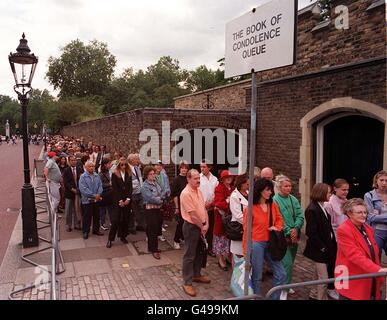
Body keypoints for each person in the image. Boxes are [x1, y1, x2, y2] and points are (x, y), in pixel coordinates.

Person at [335, 198, 387, 300]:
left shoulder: (367, 228)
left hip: (369, 276)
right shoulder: (344, 230)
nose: (363, 215)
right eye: (359, 212)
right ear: (349, 214)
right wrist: (378, 269)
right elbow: (355, 255)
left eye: (365, 212)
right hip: (352, 277)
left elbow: (374, 253)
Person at [243, 178, 286, 300]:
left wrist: (276, 227)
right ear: (260, 191)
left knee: (281, 274)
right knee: (257, 276)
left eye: (271, 190)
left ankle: (274, 298)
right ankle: (255, 297)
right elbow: (246, 231)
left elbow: (279, 219)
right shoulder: (250, 209)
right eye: (267, 190)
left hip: (272, 242)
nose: (270, 192)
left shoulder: (273, 205)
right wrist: (245, 251)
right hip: (256, 244)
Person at [303, 183, 338, 300]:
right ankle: (321, 298)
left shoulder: (322, 206)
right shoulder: (312, 209)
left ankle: (313, 295)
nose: (331, 194)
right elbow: (311, 232)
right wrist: (322, 247)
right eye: (329, 192)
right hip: (319, 250)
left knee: (317, 275)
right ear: (321, 193)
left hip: (326, 247)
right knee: (324, 279)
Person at [273, 174, 304, 300]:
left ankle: (288, 283)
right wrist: (288, 230)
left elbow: (300, 215)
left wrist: (296, 228)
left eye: (290, 186)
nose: (289, 188)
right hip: (282, 236)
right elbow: (277, 218)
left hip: (294, 235)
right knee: (287, 263)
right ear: (279, 187)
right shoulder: (275, 200)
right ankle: (283, 289)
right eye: (286, 186)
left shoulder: (293, 199)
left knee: (291, 260)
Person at [180, 169, 210, 297]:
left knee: (199, 252)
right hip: (192, 227)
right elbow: (192, 215)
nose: (198, 180)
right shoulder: (185, 193)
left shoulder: (199, 191)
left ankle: (196, 275)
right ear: (188, 179)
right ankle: (187, 282)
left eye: (199, 178)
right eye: (195, 178)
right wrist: (202, 226)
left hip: (201, 226)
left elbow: (203, 209)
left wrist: (206, 223)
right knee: (189, 254)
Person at [107, 158, 132, 248]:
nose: (123, 166)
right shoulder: (114, 175)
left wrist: (128, 199)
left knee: (126, 219)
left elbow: (130, 188)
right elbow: (115, 189)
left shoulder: (129, 174)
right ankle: (110, 239)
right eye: (121, 165)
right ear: (118, 165)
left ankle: (123, 236)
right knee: (115, 220)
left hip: (127, 201)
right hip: (118, 200)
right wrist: (120, 200)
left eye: (125, 165)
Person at [141, 165, 164, 259]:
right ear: (146, 175)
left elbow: (161, 192)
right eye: (151, 174)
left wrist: (160, 198)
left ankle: (152, 247)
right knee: (152, 229)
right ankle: (154, 249)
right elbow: (150, 198)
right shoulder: (144, 186)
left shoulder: (156, 183)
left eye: (153, 174)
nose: (153, 176)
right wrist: (160, 199)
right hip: (150, 209)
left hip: (157, 208)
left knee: (158, 226)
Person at [213, 170, 234, 271]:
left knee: (229, 239)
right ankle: (221, 259)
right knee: (221, 239)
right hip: (222, 219)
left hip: (231, 219)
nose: (229, 179)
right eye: (226, 177)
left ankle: (228, 257)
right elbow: (218, 203)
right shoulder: (219, 188)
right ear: (222, 179)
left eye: (230, 177)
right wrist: (230, 202)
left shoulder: (233, 188)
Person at [364, 170, 387, 258]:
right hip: (376, 232)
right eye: (381, 180)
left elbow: (375, 217)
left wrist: (379, 217)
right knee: (375, 257)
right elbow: (370, 217)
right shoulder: (369, 195)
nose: (384, 183)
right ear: (376, 181)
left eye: (386, 180)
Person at [78, 161, 103, 239]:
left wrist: (99, 194)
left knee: (97, 215)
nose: (92, 168)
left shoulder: (97, 175)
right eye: (90, 166)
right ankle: (85, 231)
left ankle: (96, 230)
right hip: (87, 200)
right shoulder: (83, 177)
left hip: (96, 200)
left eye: (93, 166)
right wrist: (94, 195)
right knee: (87, 217)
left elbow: (100, 186)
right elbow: (83, 189)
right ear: (85, 167)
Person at [199, 159, 218, 257]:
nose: (202, 168)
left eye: (204, 167)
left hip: (211, 207)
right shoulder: (198, 178)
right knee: (201, 228)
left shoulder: (215, 179)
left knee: (210, 229)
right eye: (201, 166)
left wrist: (211, 203)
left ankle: (209, 248)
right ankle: (200, 248)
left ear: (209, 167)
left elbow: (216, 193)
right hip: (201, 207)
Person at [229, 174, 249, 258]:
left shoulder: (248, 193)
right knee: (238, 254)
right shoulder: (234, 196)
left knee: (246, 253)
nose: (249, 186)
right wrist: (249, 223)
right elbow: (237, 215)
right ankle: (236, 271)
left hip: (248, 228)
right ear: (241, 184)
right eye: (247, 184)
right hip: (238, 227)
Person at [171, 161, 189, 249]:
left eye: (185, 168)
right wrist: (177, 207)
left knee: (187, 223)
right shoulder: (176, 180)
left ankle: (182, 237)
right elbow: (174, 195)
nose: (184, 170)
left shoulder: (189, 179)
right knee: (181, 223)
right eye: (182, 168)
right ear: (180, 169)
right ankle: (176, 240)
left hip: (188, 204)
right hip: (181, 205)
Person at [63, 156, 82, 231]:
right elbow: (66, 182)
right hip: (69, 193)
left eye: (75, 160)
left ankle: (77, 224)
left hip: (78, 192)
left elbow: (82, 179)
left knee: (77, 209)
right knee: (68, 210)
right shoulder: (66, 170)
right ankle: (68, 225)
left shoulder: (79, 169)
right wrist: (72, 189)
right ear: (69, 161)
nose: (74, 161)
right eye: (72, 160)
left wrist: (79, 189)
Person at [128, 153, 145, 232]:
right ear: (132, 160)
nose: (138, 161)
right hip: (132, 193)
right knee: (132, 211)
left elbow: (140, 179)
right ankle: (131, 227)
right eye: (137, 159)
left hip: (140, 192)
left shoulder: (137, 168)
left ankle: (140, 225)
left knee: (140, 209)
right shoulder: (127, 169)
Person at [99, 158, 114, 231]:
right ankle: (102, 223)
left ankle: (111, 222)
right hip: (104, 194)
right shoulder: (101, 174)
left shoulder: (108, 171)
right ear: (105, 165)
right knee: (103, 210)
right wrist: (109, 184)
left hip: (110, 193)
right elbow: (100, 184)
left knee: (111, 208)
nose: (110, 164)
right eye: (109, 163)